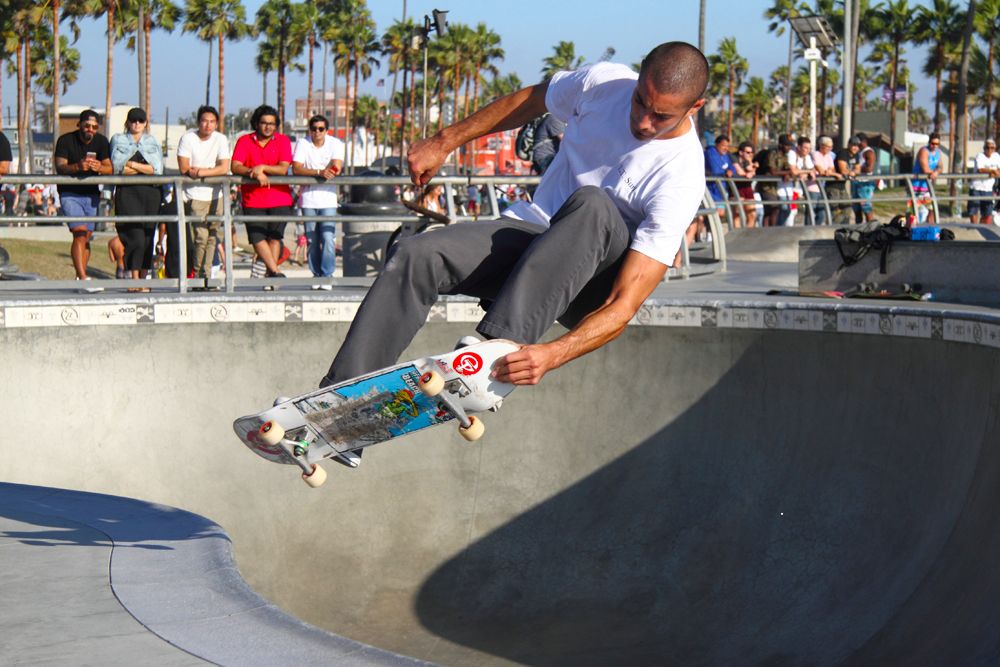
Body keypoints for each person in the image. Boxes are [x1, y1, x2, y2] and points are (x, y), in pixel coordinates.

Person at [320, 41, 708, 451]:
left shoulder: (681, 174)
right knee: (418, 254)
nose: (644, 122)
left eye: (661, 116)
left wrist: (552, 354)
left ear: (694, 107)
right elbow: (532, 99)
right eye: (639, 102)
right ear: (639, 76)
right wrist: (445, 140)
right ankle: (346, 408)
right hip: (532, 238)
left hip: (586, 285)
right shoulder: (604, 82)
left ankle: (494, 350)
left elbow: (623, 305)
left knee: (593, 204)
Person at [231, 104, 294, 282]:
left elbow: (283, 169)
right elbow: (235, 166)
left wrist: (262, 168)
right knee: (257, 238)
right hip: (253, 200)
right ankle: (274, 271)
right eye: (264, 123)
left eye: (272, 124)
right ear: (256, 123)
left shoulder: (283, 141)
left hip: (279, 198)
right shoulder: (244, 141)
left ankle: (271, 275)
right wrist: (252, 172)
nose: (268, 127)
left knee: (274, 238)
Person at [54, 109, 113, 291]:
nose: (91, 129)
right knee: (79, 233)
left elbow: (110, 168)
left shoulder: (101, 141)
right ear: (79, 124)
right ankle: (83, 277)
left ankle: (80, 279)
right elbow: (60, 167)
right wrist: (77, 166)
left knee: (86, 237)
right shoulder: (65, 140)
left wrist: (99, 167)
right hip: (70, 193)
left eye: (95, 127)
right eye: (87, 125)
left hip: (92, 194)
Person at [110, 107, 163, 292]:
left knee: (148, 237)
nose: (137, 124)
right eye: (133, 120)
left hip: (150, 194)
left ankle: (143, 278)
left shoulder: (152, 141)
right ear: (127, 122)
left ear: (146, 123)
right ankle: (134, 279)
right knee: (135, 238)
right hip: (127, 194)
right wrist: (140, 166)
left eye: (140, 120)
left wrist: (131, 164)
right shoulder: (118, 139)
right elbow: (118, 167)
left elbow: (156, 169)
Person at [177, 105, 231, 287]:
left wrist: (201, 172)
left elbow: (224, 167)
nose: (208, 125)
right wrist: (210, 172)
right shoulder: (188, 138)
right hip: (195, 194)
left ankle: (207, 276)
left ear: (216, 123)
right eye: (205, 121)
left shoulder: (221, 139)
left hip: (217, 194)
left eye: (212, 122)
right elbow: (184, 168)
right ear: (198, 122)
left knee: (213, 237)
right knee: (200, 237)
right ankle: (197, 275)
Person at [291, 114, 344, 289]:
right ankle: (316, 275)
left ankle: (327, 275)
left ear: (326, 130)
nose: (317, 132)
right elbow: (297, 168)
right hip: (308, 200)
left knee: (328, 237)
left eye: (321, 129)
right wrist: (319, 172)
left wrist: (315, 171)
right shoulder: (303, 143)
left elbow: (336, 167)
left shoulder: (335, 143)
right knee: (312, 239)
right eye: (313, 129)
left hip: (328, 200)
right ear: (309, 130)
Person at [704, 134, 738, 227]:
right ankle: (707, 235)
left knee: (720, 213)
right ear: (717, 144)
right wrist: (726, 171)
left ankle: (711, 233)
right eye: (723, 145)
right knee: (711, 213)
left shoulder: (725, 155)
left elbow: (733, 169)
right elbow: (715, 169)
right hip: (711, 189)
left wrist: (730, 171)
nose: (726, 148)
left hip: (721, 190)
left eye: (727, 146)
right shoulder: (710, 153)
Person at [829, 136, 860, 225]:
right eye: (853, 145)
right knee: (834, 209)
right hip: (832, 185)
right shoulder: (843, 153)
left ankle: (843, 227)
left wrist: (853, 172)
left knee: (847, 208)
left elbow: (858, 169)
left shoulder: (856, 155)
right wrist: (851, 172)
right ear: (849, 145)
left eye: (857, 146)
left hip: (842, 185)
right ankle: (833, 228)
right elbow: (843, 170)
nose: (855, 148)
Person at [969, 138, 1000, 224]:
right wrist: (992, 171)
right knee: (973, 210)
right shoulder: (980, 156)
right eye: (987, 147)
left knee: (987, 212)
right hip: (976, 187)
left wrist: (995, 172)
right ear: (984, 148)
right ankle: (974, 228)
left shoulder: (996, 156)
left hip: (988, 188)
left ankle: (982, 228)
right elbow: (980, 169)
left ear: (994, 148)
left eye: (992, 148)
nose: (989, 150)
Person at [791, 136, 820, 225]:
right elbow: (794, 171)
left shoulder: (806, 157)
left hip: (800, 189)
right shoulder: (792, 154)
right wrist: (807, 171)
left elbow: (813, 170)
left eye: (809, 148)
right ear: (799, 147)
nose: (807, 150)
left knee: (796, 212)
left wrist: (807, 172)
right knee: (791, 213)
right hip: (791, 188)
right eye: (805, 148)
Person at [811, 136, 839, 226]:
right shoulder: (815, 154)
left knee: (821, 214)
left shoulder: (829, 156)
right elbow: (821, 171)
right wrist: (834, 174)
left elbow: (832, 169)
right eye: (828, 147)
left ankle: (815, 232)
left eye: (831, 147)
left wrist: (830, 172)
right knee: (811, 213)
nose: (830, 149)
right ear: (821, 145)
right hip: (812, 187)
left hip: (822, 188)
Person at [853, 133, 877, 224]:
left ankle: (870, 229)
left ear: (863, 142)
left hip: (865, 184)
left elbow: (869, 168)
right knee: (856, 208)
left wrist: (856, 169)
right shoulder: (859, 152)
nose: (857, 145)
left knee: (866, 208)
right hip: (857, 182)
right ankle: (858, 228)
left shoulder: (868, 152)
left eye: (858, 142)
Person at [732, 141, 758, 227]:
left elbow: (751, 172)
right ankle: (736, 237)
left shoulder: (747, 160)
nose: (750, 154)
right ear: (741, 152)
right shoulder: (733, 157)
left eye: (751, 152)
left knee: (752, 214)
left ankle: (747, 236)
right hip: (736, 187)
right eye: (747, 152)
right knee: (737, 214)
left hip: (747, 187)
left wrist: (752, 167)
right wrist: (749, 173)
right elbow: (740, 172)